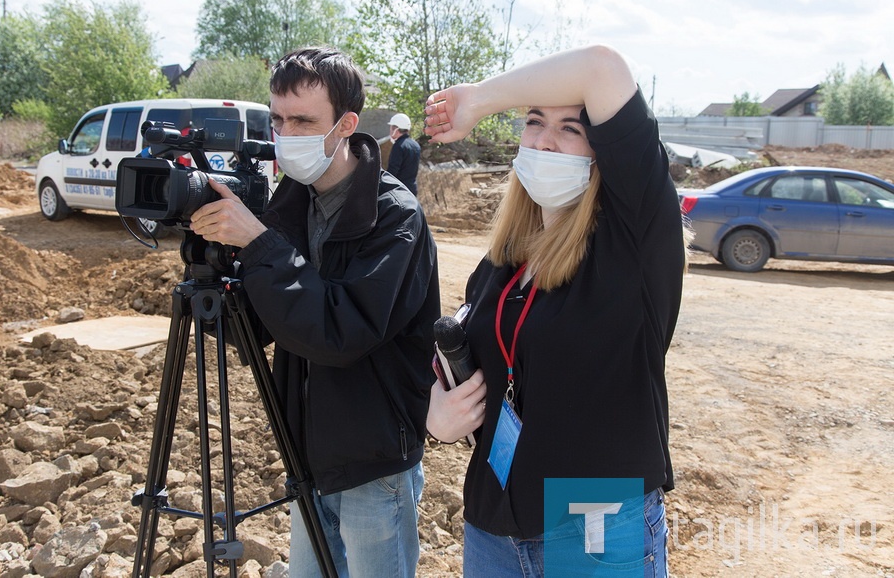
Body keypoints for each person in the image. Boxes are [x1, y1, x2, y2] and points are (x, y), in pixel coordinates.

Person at [423, 44, 685, 577]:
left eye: (570, 127)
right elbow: (464, 370)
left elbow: (602, 68)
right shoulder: (502, 265)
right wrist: (437, 417)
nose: (543, 138)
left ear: (602, 151)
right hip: (494, 524)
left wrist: (479, 99)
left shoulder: (632, 240)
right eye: (534, 120)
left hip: (594, 521)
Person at [189, 46, 440, 578]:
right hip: (307, 450)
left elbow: (340, 331)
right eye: (278, 119)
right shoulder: (290, 202)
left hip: (373, 458)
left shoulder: (394, 217)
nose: (287, 133)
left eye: (304, 120)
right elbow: (260, 327)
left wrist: (259, 247)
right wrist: (211, 264)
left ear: (346, 124)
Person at [386, 113, 422, 195]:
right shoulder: (415, 145)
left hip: (400, 191)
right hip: (412, 189)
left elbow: (393, 170)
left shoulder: (399, 146)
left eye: (391, 128)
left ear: (396, 129)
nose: (390, 130)